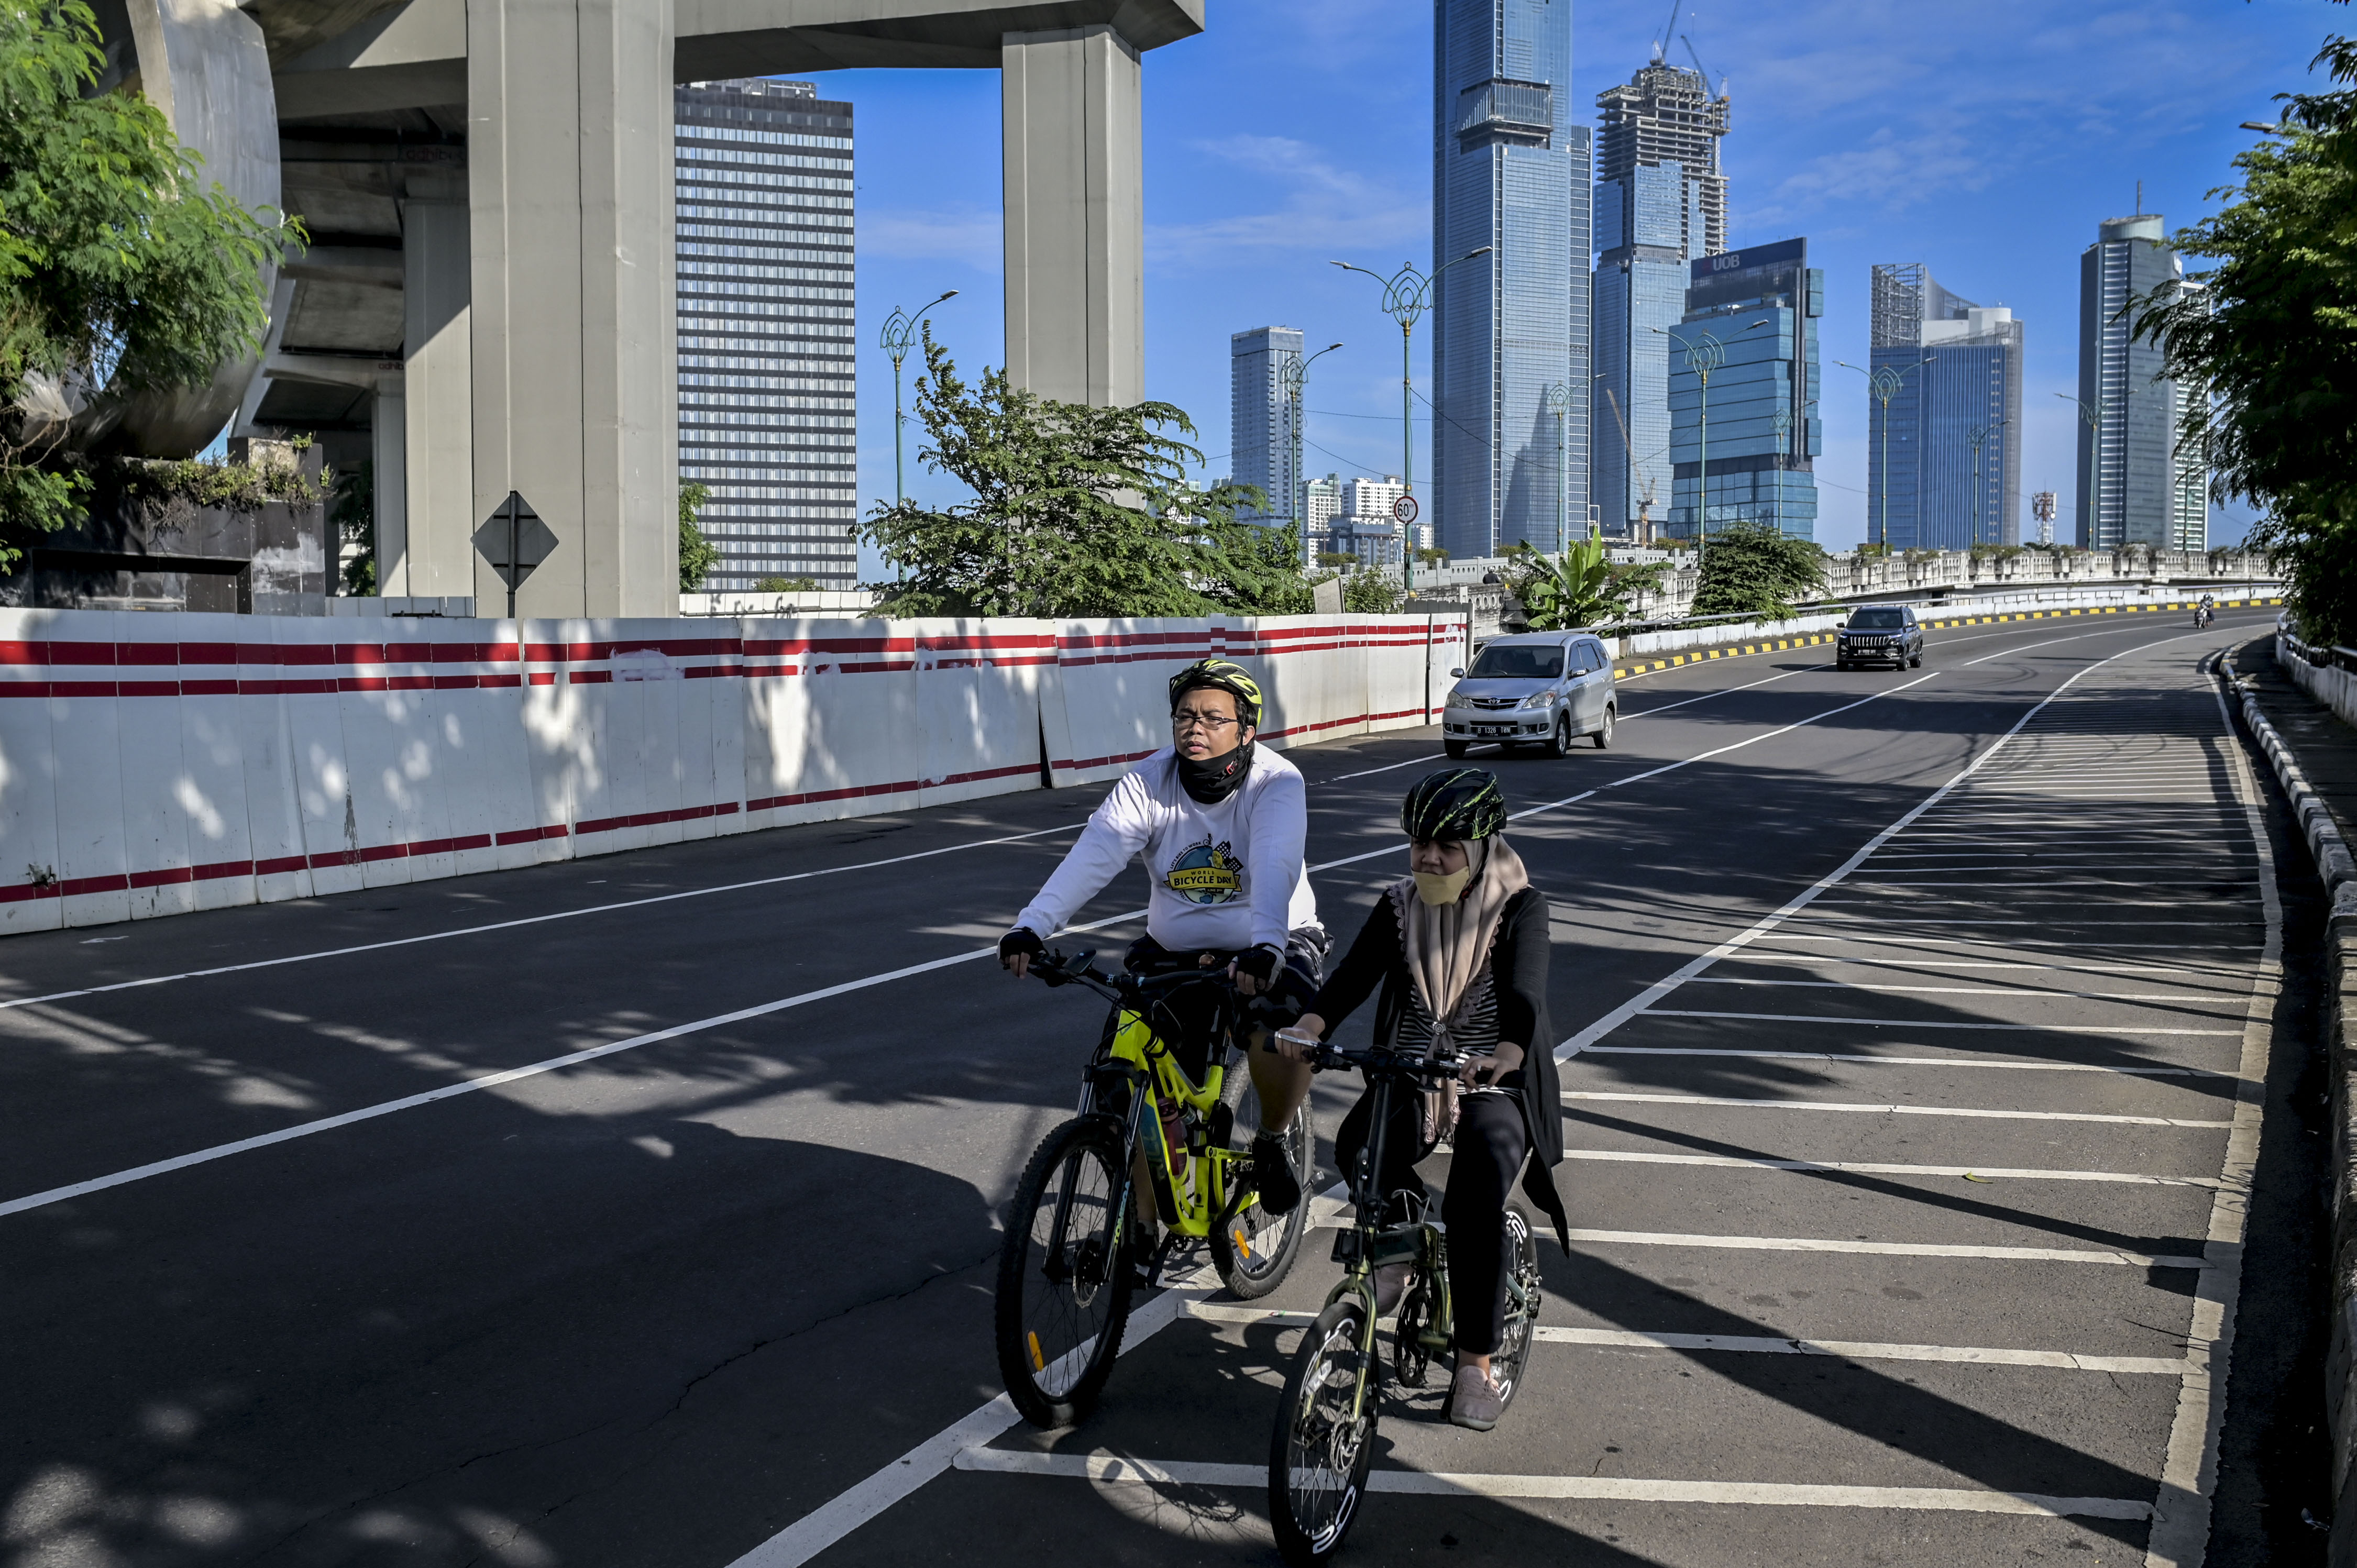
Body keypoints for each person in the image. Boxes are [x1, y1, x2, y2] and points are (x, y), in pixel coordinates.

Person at [1273, 766, 1570, 1433]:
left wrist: (1508, 1054)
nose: (1429, 857)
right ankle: (1401, 1249)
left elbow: (1526, 991)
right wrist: (1310, 1026)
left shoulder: (1521, 907)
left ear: (1483, 846)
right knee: (1360, 1147)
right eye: (1419, 843)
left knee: (1472, 1198)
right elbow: (1354, 974)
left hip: (1494, 1078)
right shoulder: (1401, 905)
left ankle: (1475, 1365)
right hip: (1414, 1070)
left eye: (1448, 846)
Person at [999, 658, 1325, 1222]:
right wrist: (1032, 926)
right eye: (1184, 716)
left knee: (1279, 1032)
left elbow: (1276, 865)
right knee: (1122, 1074)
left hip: (1273, 937)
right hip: (1173, 946)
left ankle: (1272, 1140)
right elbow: (1095, 853)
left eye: (1213, 718)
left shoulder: (1276, 782)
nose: (1194, 727)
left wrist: (1268, 946)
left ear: (1247, 730)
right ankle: (1142, 1228)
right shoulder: (1148, 782)